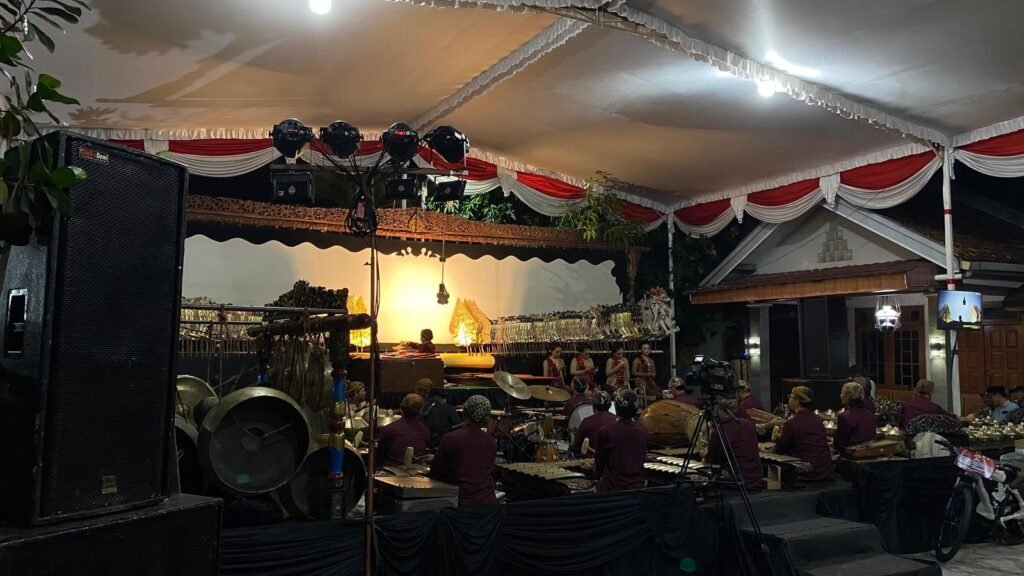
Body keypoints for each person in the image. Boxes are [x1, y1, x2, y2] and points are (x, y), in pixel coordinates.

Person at [429, 395, 497, 506]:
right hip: (488, 504)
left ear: (465, 412)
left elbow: (436, 473)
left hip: (460, 503)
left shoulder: (451, 438)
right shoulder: (491, 441)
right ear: (486, 417)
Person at [773, 386, 833, 481]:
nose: (789, 399)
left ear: (797, 401)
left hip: (807, 472)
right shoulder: (817, 420)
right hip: (825, 470)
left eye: (791, 396)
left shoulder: (792, 423)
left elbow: (780, 448)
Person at [706, 398, 765, 492]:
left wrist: (704, 455)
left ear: (725, 412)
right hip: (756, 479)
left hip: (736, 481)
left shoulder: (719, 432)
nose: (715, 413)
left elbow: (714, 460)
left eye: (718, 410)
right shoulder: (748, 424)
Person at [595, 390, 648, 492]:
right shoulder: (643, 432)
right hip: (638, 487)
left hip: (613, 488)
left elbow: (600, 464)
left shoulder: (606, 431)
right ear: (636, 410)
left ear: (616, 408)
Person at [376, 393, 429, 467]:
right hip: (418, 472)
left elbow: (380, 457)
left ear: (401, 408)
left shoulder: (388, 429)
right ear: (420, 411)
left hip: (391, 472)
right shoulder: (425, 430)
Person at [835, 382, 876, 452]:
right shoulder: (869, 414)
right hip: (870, 452)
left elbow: (840, 444)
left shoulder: (844, 417)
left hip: (853, 455)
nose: (840, 395)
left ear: (848, 396)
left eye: (842, 393)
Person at [573, 391, 616, 456]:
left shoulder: (587, 421)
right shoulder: (617, 420)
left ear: (593, 406)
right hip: (615, 462)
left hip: (592, 462)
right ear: (610, 406)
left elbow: (576, 446)